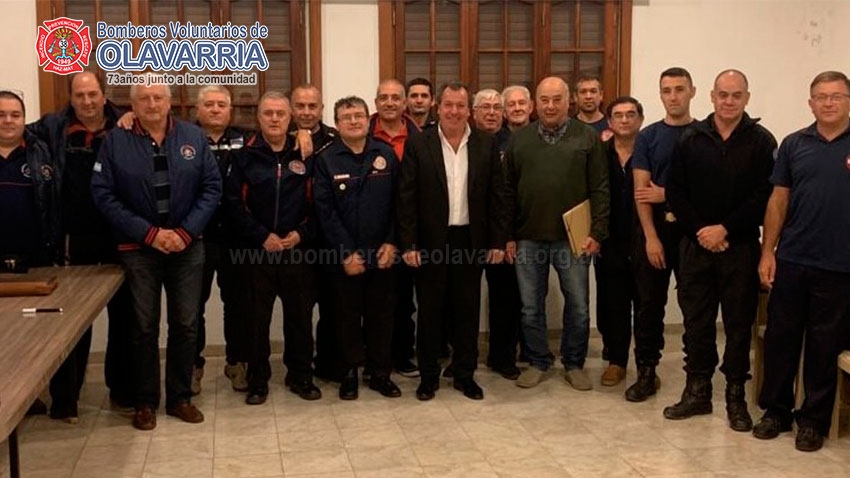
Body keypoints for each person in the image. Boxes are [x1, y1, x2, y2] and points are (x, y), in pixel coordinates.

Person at [92, 78, 221, 430]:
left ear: (169, 102)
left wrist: (184, 232)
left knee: (185, 324)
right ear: (132, 104)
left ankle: (180, 397)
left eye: (158, 97)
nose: (152, 103)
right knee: (143, 327)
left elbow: (212, 188)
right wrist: (149, 233)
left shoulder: (193, 138)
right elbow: (103, 195)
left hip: (187, 247)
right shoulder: (116, 141)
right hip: (139, 250)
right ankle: (145, 401)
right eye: (144, 98)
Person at [664, 70, 776, 432]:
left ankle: (735, 397)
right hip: (695, 246)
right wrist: (702, 231)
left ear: (747, 97)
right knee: (696, 323)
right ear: (711, 97)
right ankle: (696, 392)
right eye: (723, 95)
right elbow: (675, 192)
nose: (729, 102)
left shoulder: (761, 141)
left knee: (738, 325)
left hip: (740, 247)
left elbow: (766, 196)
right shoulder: (690, 138)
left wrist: (725, 228)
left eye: (736, 95)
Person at [27, 72, 135, 419]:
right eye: (80, 95)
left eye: (93, 94)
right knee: (72, 324)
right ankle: (65, 400)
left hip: (121, 234)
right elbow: (15, 133)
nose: (87, 102)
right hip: (74, 239)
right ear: (71, 98)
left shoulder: (125, 124)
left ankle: (122, 392)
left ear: (105, 96)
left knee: (125, 319)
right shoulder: (51, 127)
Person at [753, 71, 850, 452]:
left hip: (841, 266)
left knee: (825, 347)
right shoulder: (794, 144)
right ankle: (775, 412)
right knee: (780, 340)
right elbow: (778, 200)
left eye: (836, 96)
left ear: (848, 101)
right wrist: (767, 252)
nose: (828, 103)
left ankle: (812, 421)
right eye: (821, 97)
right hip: (792, 259)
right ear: (810, 103)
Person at [397, 82, 508, 401]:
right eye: (449, 104)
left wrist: (498, 242)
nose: (454, 111)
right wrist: (409, 244)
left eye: (461, 105)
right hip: (431, 240)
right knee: (430, 311)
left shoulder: (486, 144)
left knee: (467, 311)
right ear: (438, 106)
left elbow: (497, 197)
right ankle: (429, 376)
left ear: (468, 110)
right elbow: (407, 198)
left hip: (471, 240)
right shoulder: (420, 144)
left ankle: (464, 375)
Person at [505, 76, 609, 391]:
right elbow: (507, 190)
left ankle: (574, 363)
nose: (550, 106)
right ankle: (538, 361)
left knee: (578, 303)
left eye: (557, 99)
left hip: (574, 238)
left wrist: (597, 232)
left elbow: (600, 187)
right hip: (528, 236)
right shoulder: (519, 140)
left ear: (569, 102)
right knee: (530, 305)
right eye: (545, 100)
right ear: (536, 104)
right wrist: (508, 235)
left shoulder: (587, 137)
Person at [225, 91, 321, 405]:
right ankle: (258, 381)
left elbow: (320, 204)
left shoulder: (306, 154)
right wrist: (260, 236)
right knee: (255, 320)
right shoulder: (243, 155)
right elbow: (233, 205)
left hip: (296, 249)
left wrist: (300, 234)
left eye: (281, 113)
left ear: (290, 116)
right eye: (269, 113)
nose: (275, 119)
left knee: (300, 319)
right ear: (259, 117)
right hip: (256, 251)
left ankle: (301, 375)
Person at [314, 96, 402, 400]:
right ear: (337, 124)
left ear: (369, 119)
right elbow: (324, 211)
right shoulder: (326, 159)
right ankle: (349, 372)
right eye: (347, 116)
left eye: (359, 115)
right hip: (344, 256)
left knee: (382, 317)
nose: (354, 120)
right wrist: (345, 253)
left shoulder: (386, 154)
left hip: (382, 253)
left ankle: (380, 373)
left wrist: (392, 242)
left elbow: (399, 204)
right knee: (345, 316)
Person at [626, 67, 696, 403]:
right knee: (648, 306)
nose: (673, 96)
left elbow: (707, 193)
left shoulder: (704, 134)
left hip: (693, 236)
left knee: (694, 307)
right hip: (654, 233)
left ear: (692, 92)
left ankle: (695, 379)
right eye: (667, 90)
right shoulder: (649, 136)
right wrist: (651, 238)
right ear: (660, 95)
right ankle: (646, 372)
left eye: (679, 89)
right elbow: (641, 192)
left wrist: (665, 194)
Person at [190, 86, 250, 394]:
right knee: (192, 307)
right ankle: (193, 367)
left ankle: (236, 363)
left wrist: (302, 133)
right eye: (209, 105)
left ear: (230, 110)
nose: (215, 110)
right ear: (198, 110)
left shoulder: (246, 139)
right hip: (196, 239)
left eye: (221, 105)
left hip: (236, 239)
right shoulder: (184, 138)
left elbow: (281, 135)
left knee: (237, 306)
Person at [287, 84, 342, 384]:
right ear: (292, 109)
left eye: (312, 106)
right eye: (301, 106)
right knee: (300, 313)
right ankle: (299, 371)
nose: (306, 112)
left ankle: (329, 365)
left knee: (334, 309)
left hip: (332, 238)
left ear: (322, 109)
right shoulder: (279, 139)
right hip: (299, 240)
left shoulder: (337, 139)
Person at [371, 79, 423, 377]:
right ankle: (372, 356)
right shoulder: (358, 132)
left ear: (405, 104)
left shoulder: (421, 137)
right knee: (372, 300)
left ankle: (402, 355)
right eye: (383, 97)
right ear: (376, 103)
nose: (390, 102)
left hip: (408, 231)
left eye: (395, 98)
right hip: (370, 230)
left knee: (404, 301)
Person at [472, 88, 521, 380]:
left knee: (506, 298)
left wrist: (507, 236)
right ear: (473, 112)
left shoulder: (515, 144)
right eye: (484, 107)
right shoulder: (462, 141)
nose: (491, 112)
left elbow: (513, 194)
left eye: (496, 107)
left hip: (503, 234)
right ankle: (462, 354)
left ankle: (503, 357)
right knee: (462, 298)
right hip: (468, 235)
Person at [595, 96, 643, 387]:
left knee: (647, 303)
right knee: (613, 303)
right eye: (618, 115)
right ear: (609, 122)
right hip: (609, 239)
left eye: (630, 114)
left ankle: (647, 365)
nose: (624, 120)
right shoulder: (599, 153)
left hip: (645, 239)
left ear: (640, 119)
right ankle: (616, 361)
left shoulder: (650, 152)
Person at [574, 73, 611, 139]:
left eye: (593, 91)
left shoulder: (611, 126)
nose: (588, 96)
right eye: (583, 92)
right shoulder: (567, 127)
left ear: (601, 95)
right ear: (576, 97)